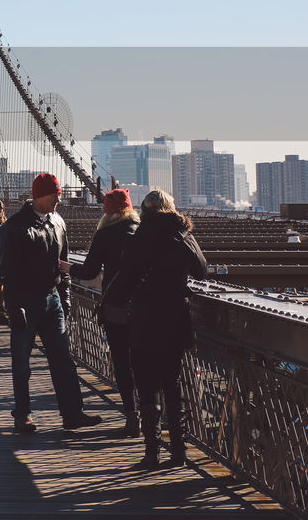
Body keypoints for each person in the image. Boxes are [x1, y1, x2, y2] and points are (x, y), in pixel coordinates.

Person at [0, 173, 101, 433]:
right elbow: (7, 271)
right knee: (22, 362)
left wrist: (64, 301)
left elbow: (63, 265)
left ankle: (72, 414)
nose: (59, 199)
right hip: (24, 301)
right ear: (40, 196)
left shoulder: (58, 222)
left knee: (63, 359)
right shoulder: (15, 227)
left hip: (52, 298)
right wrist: (13, 307)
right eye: (56, 194)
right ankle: (23, 415)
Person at [119, 189, 206, 469]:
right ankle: (179, 454)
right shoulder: (183, 236)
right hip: (174, 319)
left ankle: (151, 453)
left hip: (144, 319)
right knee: (173, 385)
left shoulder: (137, 238)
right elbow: (202, 271)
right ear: (171, 208)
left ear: (144, 211)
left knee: (146, 389)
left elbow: (126, 279)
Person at [61, 188, 140, 436]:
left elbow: (90, 273)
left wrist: (67, 268)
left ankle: (132, 417)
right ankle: (154, 419)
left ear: (107, 211)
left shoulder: (105, 233)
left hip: (116, 307)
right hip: (145, 308)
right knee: (145, 362)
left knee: (122, 362)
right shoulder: (143, 232)